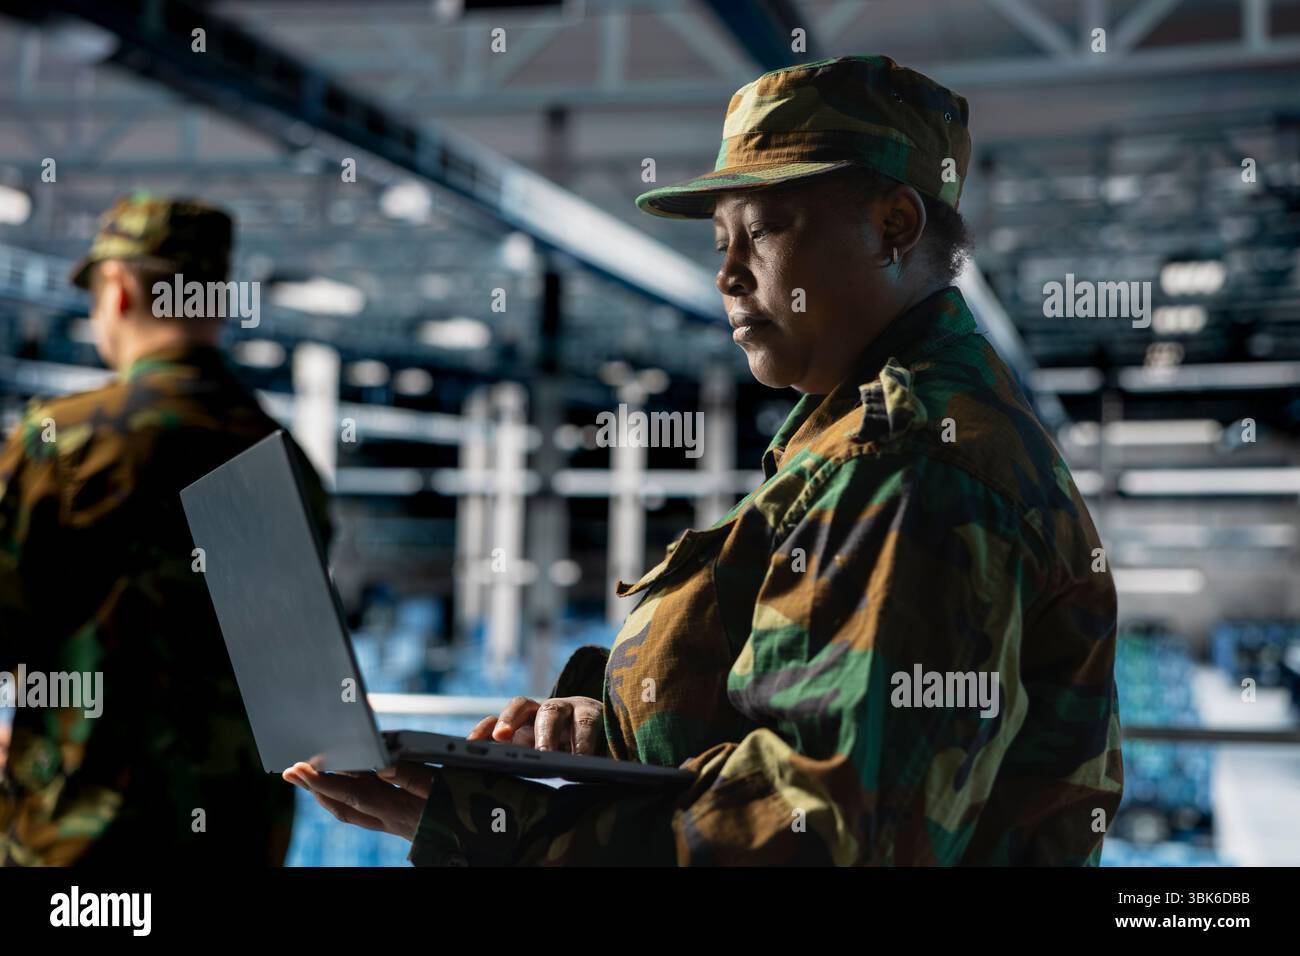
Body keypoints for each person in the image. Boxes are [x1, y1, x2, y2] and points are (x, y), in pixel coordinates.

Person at [285, 54, 1124, 866]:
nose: (726, 274)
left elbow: (823, 834)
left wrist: (508, 830)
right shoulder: (849, 440)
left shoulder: (911, 463)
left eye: (760, 230)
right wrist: (609, 724)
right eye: (721, 239)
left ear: (893, 226)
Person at [0, 194, 332, 866]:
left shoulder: (68, 440)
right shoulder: (281, 455)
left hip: (85, 844)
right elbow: (292, 685)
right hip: (241, 840)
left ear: (117, 290)